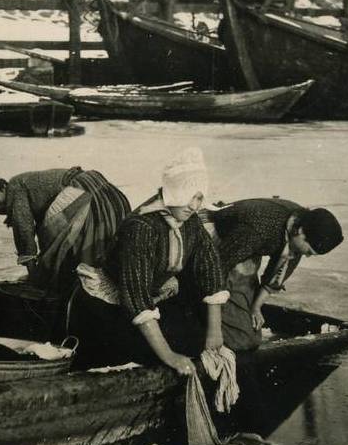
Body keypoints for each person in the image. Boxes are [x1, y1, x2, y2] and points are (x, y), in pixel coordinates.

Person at [68, 148, 229, 375]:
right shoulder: (142, 227)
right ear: (173, 192)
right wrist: (170, 357)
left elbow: (209, 266)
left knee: (195, 339)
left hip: (153, 296)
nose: (193, 206)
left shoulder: (190, 221)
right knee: (141, 354)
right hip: (109, 306)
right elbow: (136, 296)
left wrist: (215, 333)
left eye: (199, 198)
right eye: (189, 196)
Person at [209, 198, 344, 350]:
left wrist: (256, 306)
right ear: (299, 232)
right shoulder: (259, 229)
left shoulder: (299, 225)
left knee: (252, 338)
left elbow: (280, 270)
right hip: (217, 242)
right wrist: (213, 329)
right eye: (308, 251)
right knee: (241, 341)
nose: (306, 256)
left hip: (246, 248)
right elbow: (214, 269)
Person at [0, 167, 131, 293]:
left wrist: (33, 272)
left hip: (81, 190)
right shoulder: (22, 187)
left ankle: (47, 283)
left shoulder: (14, 186)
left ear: (4, 187)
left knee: (50, 240)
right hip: (103, 189)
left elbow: (23, 230)